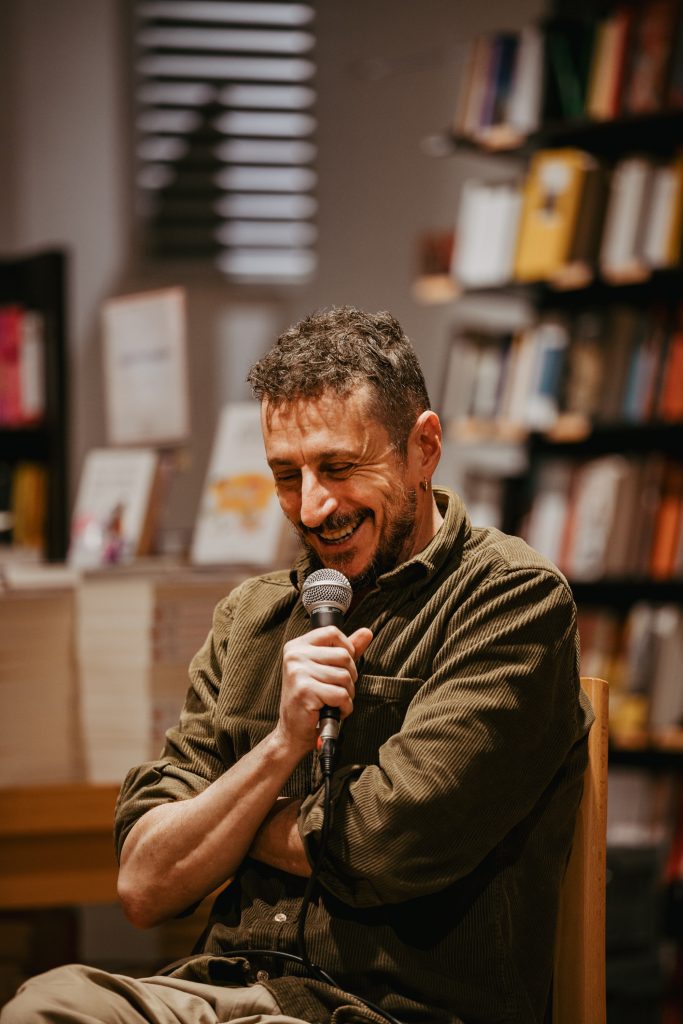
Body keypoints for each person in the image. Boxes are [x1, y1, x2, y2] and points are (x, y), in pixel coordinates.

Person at [1, 306, 593, 1024]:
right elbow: (145, 883)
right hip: (219, 987)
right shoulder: (250, 616)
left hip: (382, 1007)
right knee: (47, 1004)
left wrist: (228, 824)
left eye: (338, 468)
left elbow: (384, 845)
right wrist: (281, 746)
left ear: (424, 448)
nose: (311, 508)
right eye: (287, 475)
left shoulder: (511, 599)